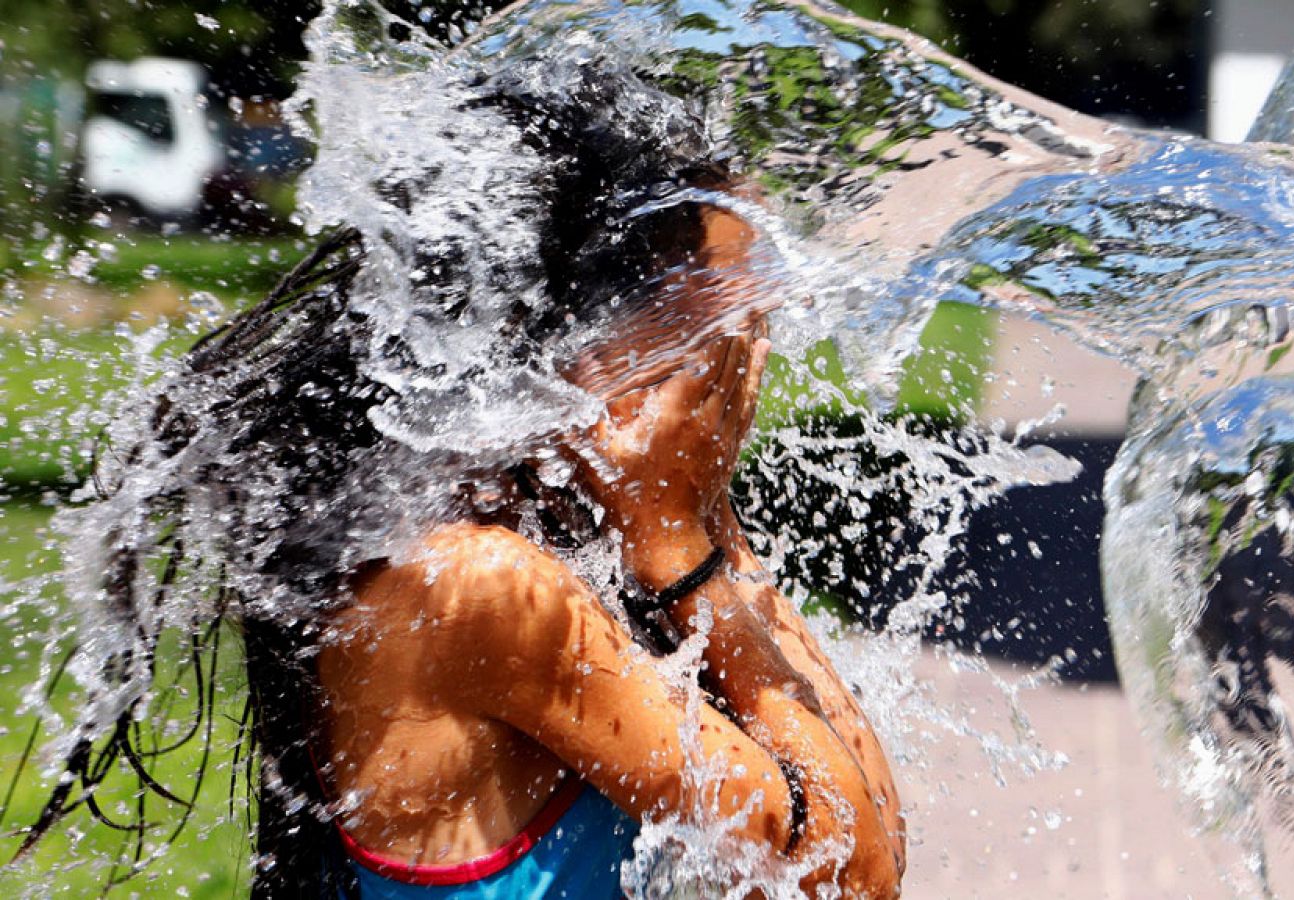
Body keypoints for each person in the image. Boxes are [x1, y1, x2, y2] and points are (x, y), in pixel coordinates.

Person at [14, 57, 904, 899]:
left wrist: (694, 521)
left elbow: (870, 832)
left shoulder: (554, 529)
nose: (753, 346)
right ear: (579, 334)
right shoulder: (479, 588)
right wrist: (684, 542)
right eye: (720, 315)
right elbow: (848, 877)